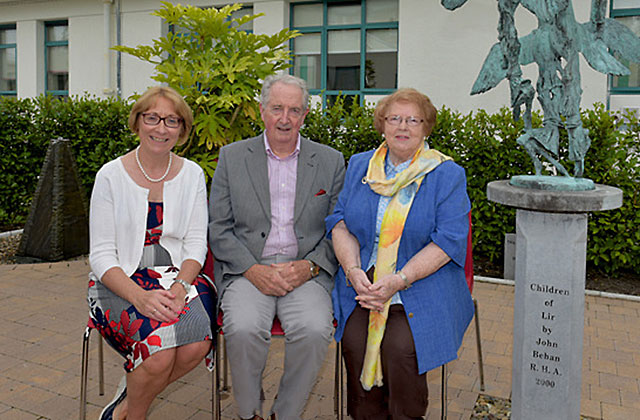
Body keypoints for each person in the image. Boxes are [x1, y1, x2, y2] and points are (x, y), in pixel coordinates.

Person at [326, 88, 474, 419]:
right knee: (356, 342)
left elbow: (449, 240)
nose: (403, 127)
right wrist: (353, 272)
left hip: (422, 282)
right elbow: (340, 223)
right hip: (364, 284)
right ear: (382, 124)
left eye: (413, 120)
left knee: (400, 350)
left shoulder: (446, 174)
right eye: (395, 118)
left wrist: (399, 279)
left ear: (426, 127)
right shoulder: (361, 165)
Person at [208, 74, 345, 420]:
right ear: (261, 111)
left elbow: (338, 230)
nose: (285, 119)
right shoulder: (232, 157)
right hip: (248, 269)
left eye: (294, 110)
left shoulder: (330, 162)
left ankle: (285, 412)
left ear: (305, 115)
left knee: (315, 330)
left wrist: (310, 266)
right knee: (241, 328)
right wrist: (253, 270)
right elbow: (219, 228)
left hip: (306, 272)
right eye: (277, 109)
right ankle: (250, 410)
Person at [87, 86, 216, 420]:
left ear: (183, 130)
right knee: (157, 356)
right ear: (137, 122)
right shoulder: (110, 176)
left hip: (178, 276)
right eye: (153, 118)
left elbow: (195, 246)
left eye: (172, 121)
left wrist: (179, 288)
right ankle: (136, 415)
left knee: (196, 344)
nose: (161, 128)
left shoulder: (192, 175)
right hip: (119, 279)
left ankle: (124, 407)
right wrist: (140, 297)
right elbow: (100, 255)